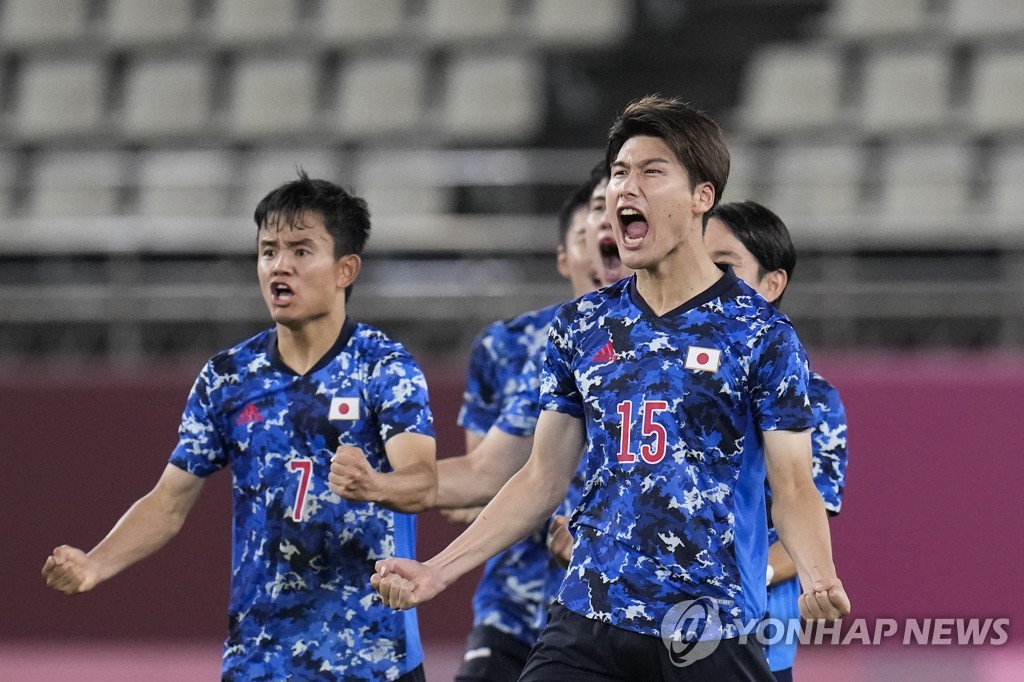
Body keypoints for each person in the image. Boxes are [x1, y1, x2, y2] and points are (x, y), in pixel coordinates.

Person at [372, 95, 850, 681]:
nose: (627, 187)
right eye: (620, 172)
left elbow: (794, 484)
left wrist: (819, 573)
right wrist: (438, 570)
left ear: (703, 197)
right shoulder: (582, 325)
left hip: (707, 630)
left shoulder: (761, 335)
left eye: (652, 172)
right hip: (588, 620)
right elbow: (541, 477)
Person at [41, 171, 438, 681]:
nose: (280, 266)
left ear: (345, 269)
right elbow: (168, 502)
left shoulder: (384, 367)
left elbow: (422, 482)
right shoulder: (228, 378)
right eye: (268, 250)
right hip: (260, 659)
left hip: (373, 660)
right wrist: (96, 563)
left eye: (300, 250)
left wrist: (376, 484)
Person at [441, 166, 609, 682]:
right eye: (586, 234)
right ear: (565, 256)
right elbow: (482, 483)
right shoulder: (510, 344)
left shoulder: (671, 342)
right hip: (512, 605)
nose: (604, 248)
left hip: (611, 612)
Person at [704, 200, 848, 682]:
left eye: (724, 266)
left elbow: (802, 523)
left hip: (757, 642)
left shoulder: (816, 399)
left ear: (772, 283)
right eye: (699, 264)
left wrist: (727, 582)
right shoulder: (660, 378)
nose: (705, 279)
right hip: (644, 635)